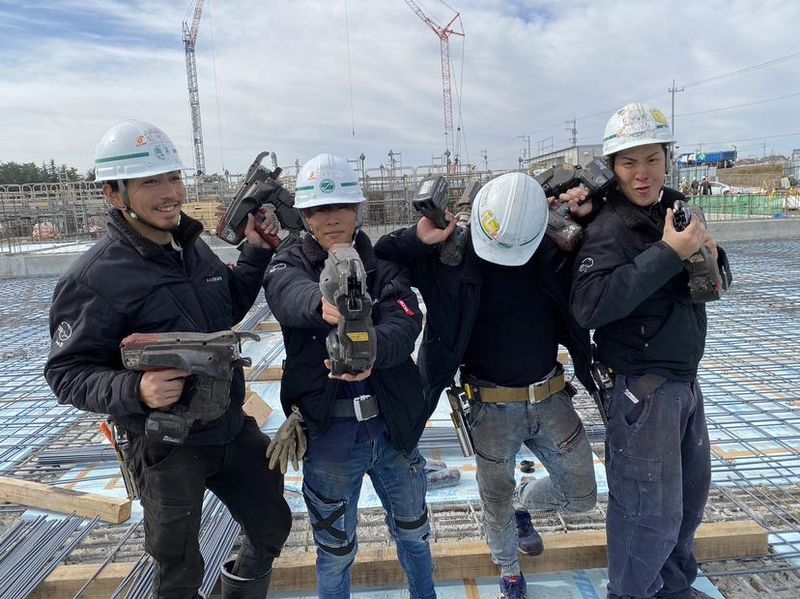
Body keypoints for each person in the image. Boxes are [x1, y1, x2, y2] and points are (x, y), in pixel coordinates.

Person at [44, 120, 291, 599]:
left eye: (174, 177)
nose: (169, 193)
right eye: (150, 182)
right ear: (114, 194)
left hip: (227, 425)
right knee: (178, 566)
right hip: (165, 443)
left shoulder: (190, 247)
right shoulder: (94, 278)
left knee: (270, 525)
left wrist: (256, 254)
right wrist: (136, 390)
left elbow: (222, 310)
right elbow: (65, 373)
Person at [374, 172, 599, 599]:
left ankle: (525, 502)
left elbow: (610, 247)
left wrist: (590, 211)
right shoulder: (451, 259)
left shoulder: (552, 250)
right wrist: (419, 237)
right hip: (489, 406)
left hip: (551, 399)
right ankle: (509, 569)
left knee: (581, 496)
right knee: (495, 498)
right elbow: (383, 254)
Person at [571, 101, 727, 599]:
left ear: (667, 159)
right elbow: (590, 306)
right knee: (646, 512)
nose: (643, 174)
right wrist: (668, 253)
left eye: (653, 159)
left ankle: (673, 589)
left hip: (683, 383)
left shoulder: (673, 212)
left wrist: (714, 260)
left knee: (686, 503)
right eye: (629, 162)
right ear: (613, 168)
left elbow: (713, 280)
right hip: (644, 390)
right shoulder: (609, 227)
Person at [263, 153, 436, 599]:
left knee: (415, 536)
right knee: (336, 553)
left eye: (340, 206)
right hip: (331, 436)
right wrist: (321, 304)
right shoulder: (288, 263)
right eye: (320, 209)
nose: (332, 218)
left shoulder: (382, 266)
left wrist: (372, 348)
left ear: (357, 210)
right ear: (305, 216)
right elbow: (285, 292)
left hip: (393, 431)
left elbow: (406, 319)